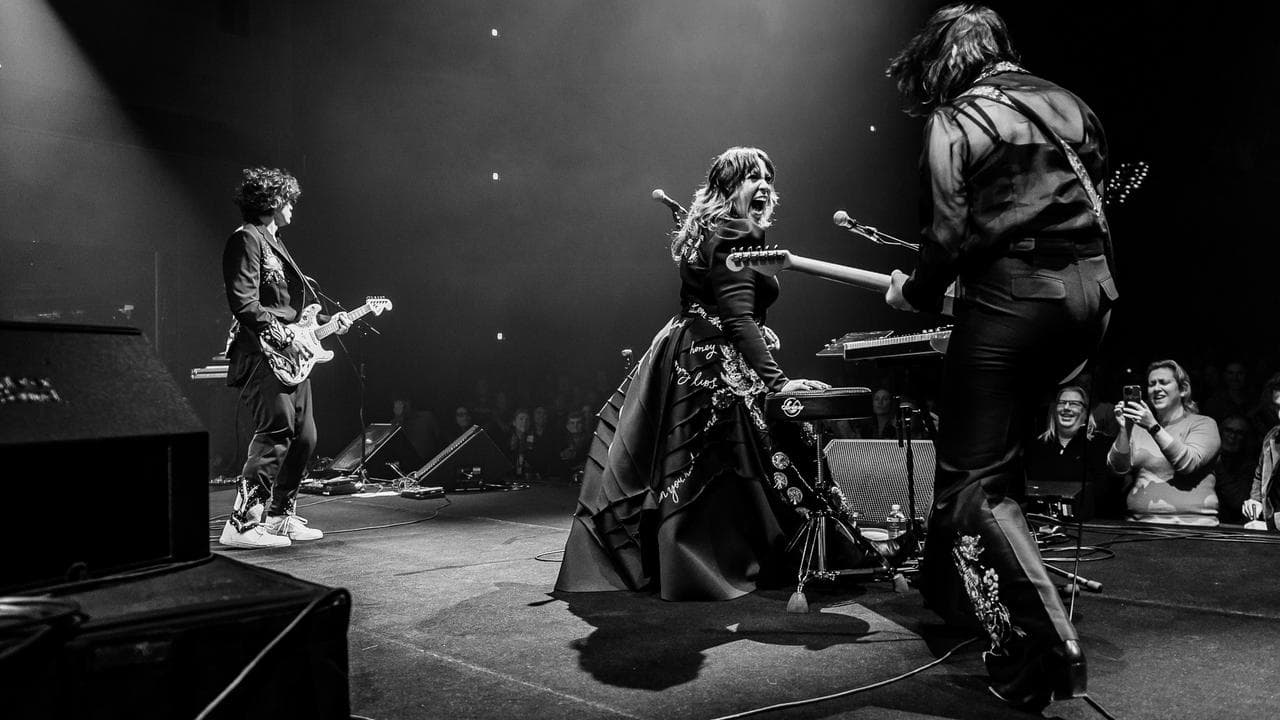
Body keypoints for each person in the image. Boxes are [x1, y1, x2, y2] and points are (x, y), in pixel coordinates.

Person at [882, 4, 1117, 709]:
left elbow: (949, 232)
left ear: (948, 59)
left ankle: (1049, 636)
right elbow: (1089, 204)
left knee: (974, 480)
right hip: (1094, 295)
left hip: (1018, 296)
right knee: (1001, 463)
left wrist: (915, 293)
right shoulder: (1075, 106)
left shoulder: (957, 119)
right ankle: (987, 624)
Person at [555, 146, 843, 602]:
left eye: (768, 176)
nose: (764, 184)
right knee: (741, 456)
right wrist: (776, 381)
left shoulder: (710, 230)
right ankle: (715, 563)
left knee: (708, 464)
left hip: (687, 350)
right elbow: (737, 317)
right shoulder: (733, 235)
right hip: (713, 362)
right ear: (728, 188)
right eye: (752, 176)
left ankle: (683, 560)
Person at [219, 167, 351, 548]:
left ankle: (278, 516)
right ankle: (242, 523)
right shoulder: (246, 239)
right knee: (276, 431)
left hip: (291, 355)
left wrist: (327, 322)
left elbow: (291, 308)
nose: (293, 207)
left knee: (306, 437)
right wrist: (281, 337)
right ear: (273, 201)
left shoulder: (276, 243)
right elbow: (244, 302)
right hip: (263, 354)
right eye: (289, 200)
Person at [1108, 359, 1221, 526]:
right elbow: (1117, 469)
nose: (1156, 389)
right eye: (1151, 384)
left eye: (1163, 382)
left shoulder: (1203, 424)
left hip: (1192, 526)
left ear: (1183, 389)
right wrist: (1125, 430)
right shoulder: (1139, 428)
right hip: (1140, 524)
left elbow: (1188, 464)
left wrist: (1153, 426)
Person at [1022, 386, 1110, 520]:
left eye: (1074, 404)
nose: (1066, 408)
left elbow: (1103, 494)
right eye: (1062, 403)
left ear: (1085, 412)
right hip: (1043, 524)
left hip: (1089, 526)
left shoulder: (1099, 445)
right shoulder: (1037, 446)